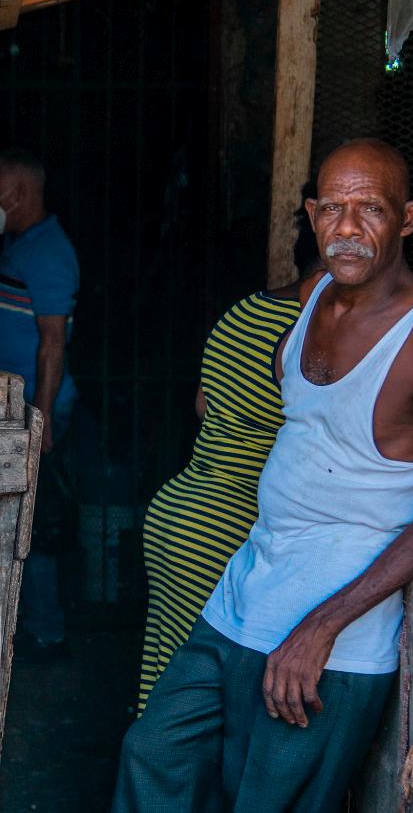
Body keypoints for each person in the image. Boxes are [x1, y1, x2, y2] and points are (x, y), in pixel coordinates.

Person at [113, 138, 413, 811]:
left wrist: (321, 628)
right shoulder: (315, 293)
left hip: (333, 639)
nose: (347, 229)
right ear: (312, 213)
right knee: (154, 753)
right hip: (242, 598)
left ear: (407, 219)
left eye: (370, 209)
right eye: (333, 209)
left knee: (267, 800)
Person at [137, 197, 323, 714]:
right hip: (228, 534)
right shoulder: (315, 334)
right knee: (201, 713)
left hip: (181, 513)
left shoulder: (246, 310)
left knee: (165, 690)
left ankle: (152, 787)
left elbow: (203, 403)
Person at [0, 149, 80, 652]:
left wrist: (43, 418)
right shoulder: (23, 243)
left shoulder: (50, 253)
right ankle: (23, 624)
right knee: (11, 515)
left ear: (20, 194)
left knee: (32, 521)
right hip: (12, 406)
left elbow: (53, 341)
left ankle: (46, 630)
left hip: (33, 410)